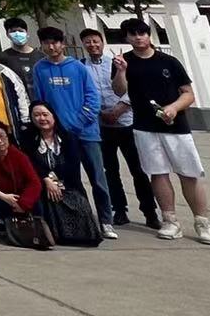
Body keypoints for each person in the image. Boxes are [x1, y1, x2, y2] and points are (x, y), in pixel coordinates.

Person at [120, 16, 210, 243]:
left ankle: (202, 222)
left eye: (142, 33)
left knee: (189, 173)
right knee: (158, 173)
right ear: (127, 38)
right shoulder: (124, 61)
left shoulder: (169, 62)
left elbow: (188, 93)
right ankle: (170, 221)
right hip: (144, 126)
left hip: (175, 127)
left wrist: (173, 108)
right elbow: (119, 90)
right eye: (133, 34)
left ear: (148, 35)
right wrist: (121, 71)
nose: (138, 38)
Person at [31, 26, 114, 233]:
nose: (51, 47)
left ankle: (106, 220)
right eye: (46, 43)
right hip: (59, 136)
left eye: (55, 43)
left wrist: (78, 122)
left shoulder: (78, 67)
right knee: (70, 180)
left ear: (63, 44)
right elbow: (40, 101)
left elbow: (92, 98)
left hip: (86, 132)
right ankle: (81, 219)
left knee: (98, 179)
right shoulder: (40, 69)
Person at [80, 25, 159, 229]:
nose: (92, 45)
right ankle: (119, 210)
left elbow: (132, 89)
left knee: (138, 169)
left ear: (102, 42)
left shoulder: (117, 63)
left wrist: (119, 109)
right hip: (101, 125)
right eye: (88, 42)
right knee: (110, 171)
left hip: (126, 122)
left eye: (96, 41)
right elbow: (84, 94)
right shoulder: (81, 67)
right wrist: (100, 113)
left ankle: (150, 211)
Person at [24, 101, 105, 246]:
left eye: (45, 114)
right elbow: (30, 164)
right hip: (41, 185)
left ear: (53, 116)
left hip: (67, 184)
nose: (41, 118)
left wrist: (57, 184)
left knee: (80, 205)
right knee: (45, 202)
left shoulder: (68, 138)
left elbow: (72, 168)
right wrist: (46, 180)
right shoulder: (28, 139)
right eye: (36, 115)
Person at [0, 119, 49, 249]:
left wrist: (22, 203)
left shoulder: (19, 156)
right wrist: (5, 197)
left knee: (37, 201)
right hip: (3, 197)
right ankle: (8, 225)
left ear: (7, 136)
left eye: (2, 136)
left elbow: (34, 182)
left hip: (21, 197)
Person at [0, 18, 41, 100]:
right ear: (7, 34)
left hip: (40, 102)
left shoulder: (40, 56)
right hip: (18, 101)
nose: (17, 34)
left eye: (20, 31)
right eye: (13, 31)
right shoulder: (3, 57)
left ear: (27, 32)